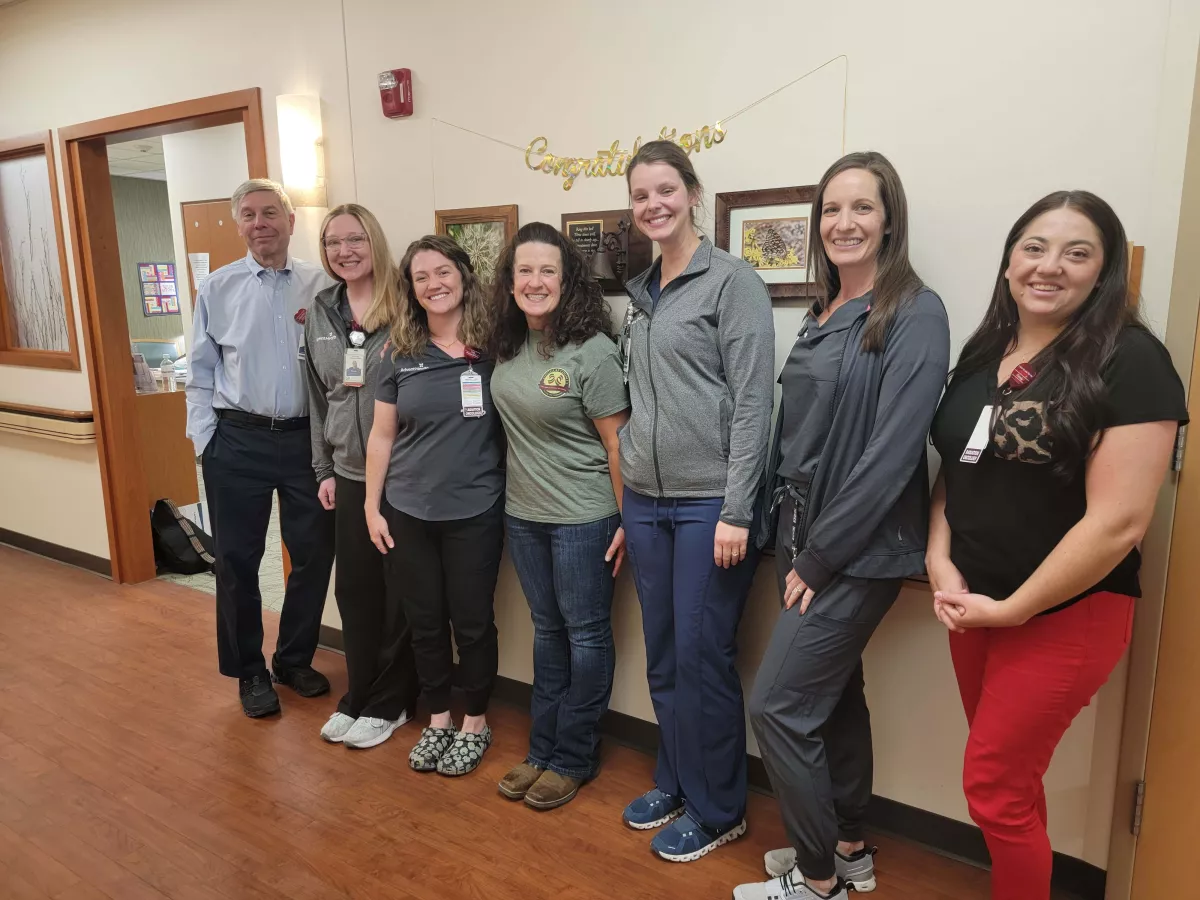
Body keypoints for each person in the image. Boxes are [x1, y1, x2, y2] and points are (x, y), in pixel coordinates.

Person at [926, 191, 1186, 900]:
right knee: (1008, 781)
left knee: (992, 787)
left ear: (1103, 273)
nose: (1050, 267)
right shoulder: (987, 349)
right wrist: (938, 555)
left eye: (1078, 253)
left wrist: (1013, 611)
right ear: (1011, 260)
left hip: (1065, 617)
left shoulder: (1132, 361)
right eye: (1035, 247)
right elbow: (958, 463)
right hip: (971, 605)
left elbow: (1119, 524)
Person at [736, 151, 951, 900]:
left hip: (853, 549)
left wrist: (820, 558)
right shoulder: (821, 312)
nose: (844, 222)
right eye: (831, 209)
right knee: (834, 695)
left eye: (862, 207)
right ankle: (849, 845)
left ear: (889, 217)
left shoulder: (914, 313)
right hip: (796, 528)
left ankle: (818, 879)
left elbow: (893, 455)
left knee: (778, 705)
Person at [618, 140, 775, 862]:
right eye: (641, 195)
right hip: (648, 503)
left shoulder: (730, 281)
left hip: (712, 502)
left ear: (691, 193)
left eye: (665, 190)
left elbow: (752, 406)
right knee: (664, 654)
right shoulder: (640, 292)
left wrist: (738, 509)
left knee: (704, 657)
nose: (654, 204)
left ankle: (720, 810)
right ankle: (678, 780)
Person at [488, 222, 630, 810]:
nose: (536, 281)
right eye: (525, 270)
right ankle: (540, 749)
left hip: (584, 519)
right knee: (548, 634)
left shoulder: (592, 352)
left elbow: (619, 445)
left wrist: (628, 523)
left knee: (587, 636)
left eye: (549, 270)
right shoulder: (506, 345)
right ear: (511, 281)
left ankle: (573, 755)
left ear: (568, 280)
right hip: (523, 515)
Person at [186, 178, 335, 718]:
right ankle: (249, 670)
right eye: (248, 214)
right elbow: (200, 373)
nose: (259, 223)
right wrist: (206, 440)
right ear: (238, 224)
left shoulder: (322, 286)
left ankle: (293, 659)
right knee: (236, 561)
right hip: (236, 441)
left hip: (305, 443)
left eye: (270, 212)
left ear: (292, 221)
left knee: (315, 555)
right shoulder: (218, 289)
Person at [363, 234, 505, 776]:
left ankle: (475, 722)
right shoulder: (398, 351)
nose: (433, 285)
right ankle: (439, 718)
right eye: (421, 277)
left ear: (464, 276)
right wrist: (372, 508)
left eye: (442, 272)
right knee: (424, 622)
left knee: (471, 623)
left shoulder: (495, 348)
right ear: (411, 288)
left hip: (476, 509)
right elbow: (381, 437)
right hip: (408, 511)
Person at [305, 203, 420, 749]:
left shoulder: (407, 302)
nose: (344, 251)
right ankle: (359, 693)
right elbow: (316, 397)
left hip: (405, 473)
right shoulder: (322, 310)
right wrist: (323, 467)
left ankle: (391, 701)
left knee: (402, 592)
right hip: (349, 472)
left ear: (373, 240)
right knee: (354, 590)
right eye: (332, 243)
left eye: (354, 239)